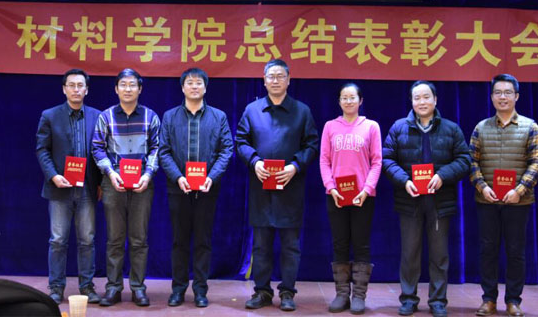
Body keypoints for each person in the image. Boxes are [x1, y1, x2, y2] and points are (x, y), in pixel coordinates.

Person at [236, 59, 318, 312]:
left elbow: (312, 144)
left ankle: (287, 292)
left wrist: (295, 166)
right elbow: (241, 141)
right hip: (261, 188)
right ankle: (262, 291)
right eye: (270, 76)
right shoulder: (252, 110)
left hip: (290, 187)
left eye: (280, 76)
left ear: (288, 80)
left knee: (291, 246)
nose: (275, 80)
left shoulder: (302, 111)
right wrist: (254, 162)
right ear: (264, 80)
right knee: (261, 245)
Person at [382, 80, 470, 317]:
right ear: (411, 101)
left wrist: (442, 176)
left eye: (426, 97)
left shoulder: (451, 129)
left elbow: (464, 159)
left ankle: (438, 300)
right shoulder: (399, 127)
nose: (422, 102)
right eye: (417, 98)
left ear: (435, 100)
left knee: (439, 255)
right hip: (409, 200)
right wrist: (405, 181)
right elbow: (387, 159)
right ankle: (408, 299)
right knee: (409, 254)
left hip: (440, 201)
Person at [158, 67, 233, 308]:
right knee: (179, 241)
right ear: (182, 87)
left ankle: (201, 290)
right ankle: (178, 290)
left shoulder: (218, 116)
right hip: (178, 188)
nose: (194, 86)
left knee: (203, 241)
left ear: (205, 87)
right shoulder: (170, 116)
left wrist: (212, 176)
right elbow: (163, 151)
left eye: (198, 82)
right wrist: (178, 177)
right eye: (189, 82)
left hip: (207, 189)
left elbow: (226, 150)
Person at [470, 74, 538, 317]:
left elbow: (536, 163)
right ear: (492, 97)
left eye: (508, 92)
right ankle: (488, 300)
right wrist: (483, 187)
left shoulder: (530, 127)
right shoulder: (481, 127)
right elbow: (472, 162)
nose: (503, 97)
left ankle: (513, 301)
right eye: (498, 92)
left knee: (515, 252)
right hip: (487, 200)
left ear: (516, 96)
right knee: (487, 251)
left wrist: (519, 190)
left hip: (519, 201)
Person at [91, 68, 160, 307]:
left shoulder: (151, 116)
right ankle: (113, 288)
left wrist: (148, 175)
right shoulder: (106, 116)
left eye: (132, 85)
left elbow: (157, 148)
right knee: (114, 239)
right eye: (123, 85)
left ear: (140, 89)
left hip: (143, 184)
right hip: (113, 184)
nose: (128, 89)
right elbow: (97, 148)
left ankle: (138, 288)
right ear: (116, 89)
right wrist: (110, 173)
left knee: (139, 239)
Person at [35, 69, 101, 304]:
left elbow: (101, 152)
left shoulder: (97, 116)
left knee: (87, 241)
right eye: (71, 85)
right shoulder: (50, 116)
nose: (75, 89)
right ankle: (56, 287)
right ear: (64, 89)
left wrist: (101, 183)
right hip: (59, 188)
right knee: (58, 240)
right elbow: (42, 150)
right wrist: (53, 176)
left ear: (86, 90)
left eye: (80, 85)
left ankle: (87, 286)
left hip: (87, 189)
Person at [319, 82, 382, 315]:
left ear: (360, 100)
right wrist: (331, 187)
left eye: (352, 97)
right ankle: (342, 294)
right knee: (340, 243)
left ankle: (359, 296)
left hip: (363, 196)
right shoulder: (330, 126)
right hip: (336, 195)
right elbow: (324, 160)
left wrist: (367, 189)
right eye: (344, 98)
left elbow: (377, 161)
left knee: (361, 244)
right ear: (339, 101)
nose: (348, 101)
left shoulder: (371, 126)